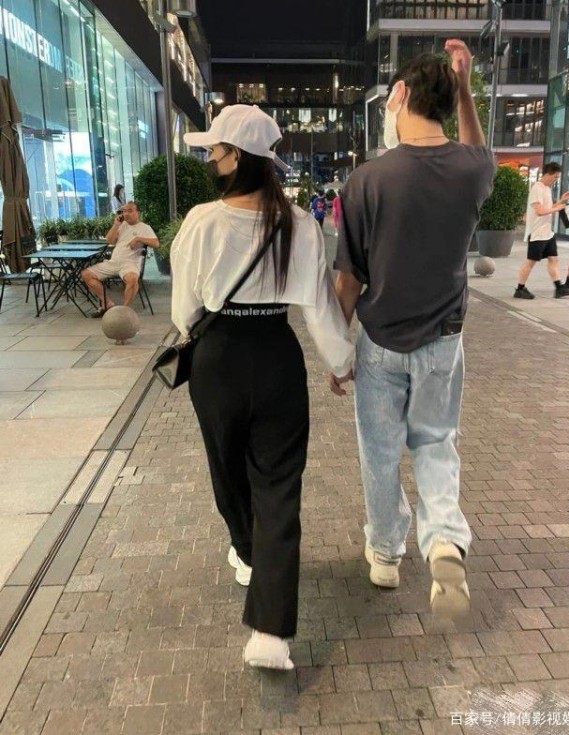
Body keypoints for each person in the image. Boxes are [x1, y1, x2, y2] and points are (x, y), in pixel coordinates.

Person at [171, 104, 354, 670]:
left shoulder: (202, 221)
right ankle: (270, 632)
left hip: (218, 358)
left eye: (214, 151)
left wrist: (194, 330)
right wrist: (341, 362)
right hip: (277, 354)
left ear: (235, 157)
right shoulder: (299, 223)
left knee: (226, 471)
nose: (209, 159)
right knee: (278, 486)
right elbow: (319, 306)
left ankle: (250, 554)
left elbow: (185, 310)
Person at [331, 40, 496, 618]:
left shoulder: (366, 180)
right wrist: (466, 87)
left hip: (380, 342)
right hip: (443, 341)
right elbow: (476, 148)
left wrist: (336, 353)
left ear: (399, 95)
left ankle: (384, 554)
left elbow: (348, 281)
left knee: (379, 453)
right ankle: (444, 541)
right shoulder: (473, 172)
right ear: (450, 103)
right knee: (436, 442)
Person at [82, 202, 158, 316]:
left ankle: (124, 311)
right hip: (113, 262)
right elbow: (110, 241)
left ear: (138, 213)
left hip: (130, 264)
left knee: (132, 279)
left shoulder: (145, 228)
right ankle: (107, 303)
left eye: (130, 211)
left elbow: (156, 243)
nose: (126, 213)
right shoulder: (121, 226)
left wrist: (138, 239)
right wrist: (116, 225)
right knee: (86, 274)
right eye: (124, 211)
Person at [514, 162, 569, 300]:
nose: (556, 180)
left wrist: (561, 201)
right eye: (555, 177)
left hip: (547, 232)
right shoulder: (537, 188)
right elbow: (540, 211)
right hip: (537, 233)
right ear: (547, 174)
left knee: (554, 259)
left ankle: (559, 288)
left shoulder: (547, 189)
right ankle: (520, 289)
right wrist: (557, 209)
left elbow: (549, 208)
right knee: (530, 262)